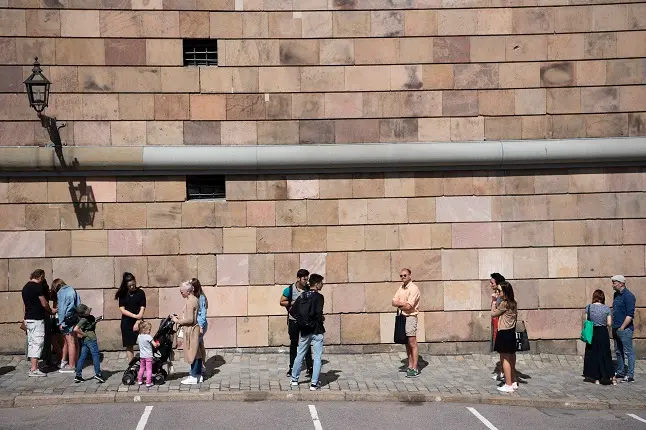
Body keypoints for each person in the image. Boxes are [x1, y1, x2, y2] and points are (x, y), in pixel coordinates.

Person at [290, 274, 325, 391]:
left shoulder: (302, 295)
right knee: (317, 357)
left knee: (300, 354)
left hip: (305, 330)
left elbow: (293, 311)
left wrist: (302, 321)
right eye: (321, 283)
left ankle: (294, 379)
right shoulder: (319, 297)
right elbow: (318, 313)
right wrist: (320, 319)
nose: (322, 285)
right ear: (317, 283)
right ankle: (314, 383)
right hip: (316, 330)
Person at [280, 269, 313, 377]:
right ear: (298, 278)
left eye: (307, 279)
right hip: (293, 320)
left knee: (307, 344)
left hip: (305, 321)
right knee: (294, 344)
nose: (306, 281)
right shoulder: (289, 289)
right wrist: (292, 302)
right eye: (304, 279)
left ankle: (310, 367)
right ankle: (292, 367)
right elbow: (282, 301)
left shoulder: (308, 289)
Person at [172, 281, 205, 385]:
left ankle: (193, 376)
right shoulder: (194, 299)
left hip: (191, 330)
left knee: (192, 353)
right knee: (197, 353)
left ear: (188, 291)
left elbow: (190, 319)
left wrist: (177, 321)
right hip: (193, 329)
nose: (181, 293)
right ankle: (198, 375)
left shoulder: (191, 301)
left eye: (182, 292)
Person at [22, 269, 54, 377]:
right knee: (37, 343)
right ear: (40, 276)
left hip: (28, 318)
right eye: (43, 277)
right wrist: (51, 310)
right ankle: (34, 369)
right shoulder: (37, 287)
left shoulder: (25, 287)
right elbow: (44, 303)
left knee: (31, 342)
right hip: (37, 319)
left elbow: (25, 305)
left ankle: (33, 367)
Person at [391, 268, 421, 378]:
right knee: (406, 343)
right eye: (401, 275)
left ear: (410, 276)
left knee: (412, 342)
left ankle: (415, 368)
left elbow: (409, 307)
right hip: (402, 317)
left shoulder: (414, 289)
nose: (403, 277)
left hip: (411, 317)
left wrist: (399, 304)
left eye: (405, 275)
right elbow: (393, 301)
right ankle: (410, 365)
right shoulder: (401, 287)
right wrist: (403, 303)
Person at [582, 290, 616, 385]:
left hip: (592, 332)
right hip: (603, 332)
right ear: (603, 297)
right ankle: (607, 375)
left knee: (593, 354)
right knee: (605, 353)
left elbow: (586, 320)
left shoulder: (589, 307)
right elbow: (609, 323)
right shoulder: (606, 308)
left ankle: (595, 377)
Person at [492, 281, 518, 393]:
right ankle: (513, 381)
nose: (498, 292)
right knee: (511, 358)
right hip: (511, 332)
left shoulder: (504, 304)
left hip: (504, 332)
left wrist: (494, 301)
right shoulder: (513, 303)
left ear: (505, 292)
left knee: (505, 359)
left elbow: (493, 314)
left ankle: (508, 385)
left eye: (499, 291)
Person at [115, 272, 146, 362]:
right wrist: (134, 316)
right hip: (127, 321)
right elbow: (122, 309)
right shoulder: (123, 294)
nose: (132, 287)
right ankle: (131, 365)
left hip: (139, 320)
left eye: (133, 284)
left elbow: (142, 307)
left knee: (144, 343)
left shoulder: (140, 292)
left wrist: (138, 320)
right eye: (130, 286)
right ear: (126, 285)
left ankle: (145, 364)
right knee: (129, 345)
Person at [611, 275, 636, 383]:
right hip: (615, 327)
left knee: (628, 352)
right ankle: (620, 371)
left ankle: (630, 375)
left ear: (621, 283)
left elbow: (630, 315)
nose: (612, 285)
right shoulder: (616, 295)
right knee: (618, 351)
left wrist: (622, 327)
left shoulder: (629, 296)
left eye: (614, 282)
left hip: (625, 329)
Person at [53, 279, 80, 373]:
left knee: (70, 342)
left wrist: (61, 322)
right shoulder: (73, 290)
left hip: (67, 320)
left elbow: (62, 309)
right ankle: (75, 362)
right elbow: (78, 305)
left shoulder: (61, 293)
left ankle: (71, 366)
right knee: (75, 341)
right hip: (74, 318)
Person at [73, 304, 105, 383]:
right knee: (95, 355)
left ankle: (78, 376)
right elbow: (76, 329)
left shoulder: (86, 318)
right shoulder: (83, 320)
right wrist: (84, 334)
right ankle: (98, 374)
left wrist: (95, 321)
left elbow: (89, 326)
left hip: (85, 340)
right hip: (91, 339)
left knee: (82, 357)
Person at [192, 278, 208, 374]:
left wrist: (201, 326)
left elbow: (203, 313)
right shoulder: (193, 297)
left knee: (196, 345)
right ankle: (202, 364)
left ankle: (200, 366)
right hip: (196, 324)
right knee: (200, 344)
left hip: (200, 325)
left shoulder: (201, 297)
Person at [137, 321, 156, 388]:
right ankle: (148, 382)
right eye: (149, 330)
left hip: (142, 356)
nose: (150, 331)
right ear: (144, 330)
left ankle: (139, 380)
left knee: (141, 368)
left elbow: (138, 343)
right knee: (149, 369)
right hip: (148, 356)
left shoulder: (139, 336)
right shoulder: (149, 337)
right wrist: (157, 344)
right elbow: (155, 344)